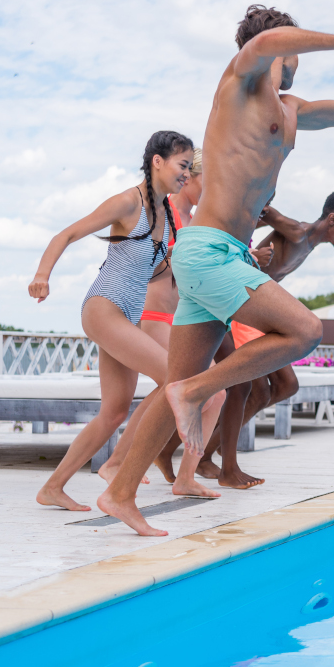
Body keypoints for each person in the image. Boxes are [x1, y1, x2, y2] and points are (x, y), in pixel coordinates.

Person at [98, 4, 334, 535]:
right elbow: (260, 48)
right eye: (290, 46)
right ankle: (196, 394)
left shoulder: (291, 108)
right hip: (208, 249)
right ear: (280, 43)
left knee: (175, 381)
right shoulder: (239, 81)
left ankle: (120, 493)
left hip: (223, 255)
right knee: (304, 331)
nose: (296, 58)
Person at [31, 131, 221, 511]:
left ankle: (53, 486)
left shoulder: (167, 216)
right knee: (173, 380)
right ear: (158, 161)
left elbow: (155, 276)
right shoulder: (126, 202)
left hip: (127, 316)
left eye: (188, 168)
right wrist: (42, 275)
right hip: (103, 307)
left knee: (115, 411)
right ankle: (123, 472)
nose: (186, 174)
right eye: (182, 166)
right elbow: (66, 233)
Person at [195, 190, 334, 487]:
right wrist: (250, 251)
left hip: (258, 313)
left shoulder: (308, 242)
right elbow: (263, 210)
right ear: (333, 218)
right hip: (243, 308)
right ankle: (217, 459)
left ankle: (211, 451)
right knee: (256, 388)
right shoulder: (298, 232)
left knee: (278, 388)